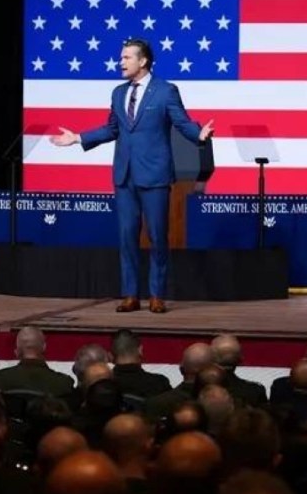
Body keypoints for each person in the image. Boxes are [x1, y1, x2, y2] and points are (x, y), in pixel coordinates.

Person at [51, 38, 214, 314]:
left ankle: (157, 295)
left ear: (143, 61)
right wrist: (78, 138)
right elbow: (112, 129)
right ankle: (130, 294)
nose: (121, 62)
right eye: (121, 57)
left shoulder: (165, 91)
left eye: (127, 57)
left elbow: (181, 121)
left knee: (157, 236)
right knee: (127, 236)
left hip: (155, 175)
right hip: (124, 176)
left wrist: (199, 135)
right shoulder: (118, 93)